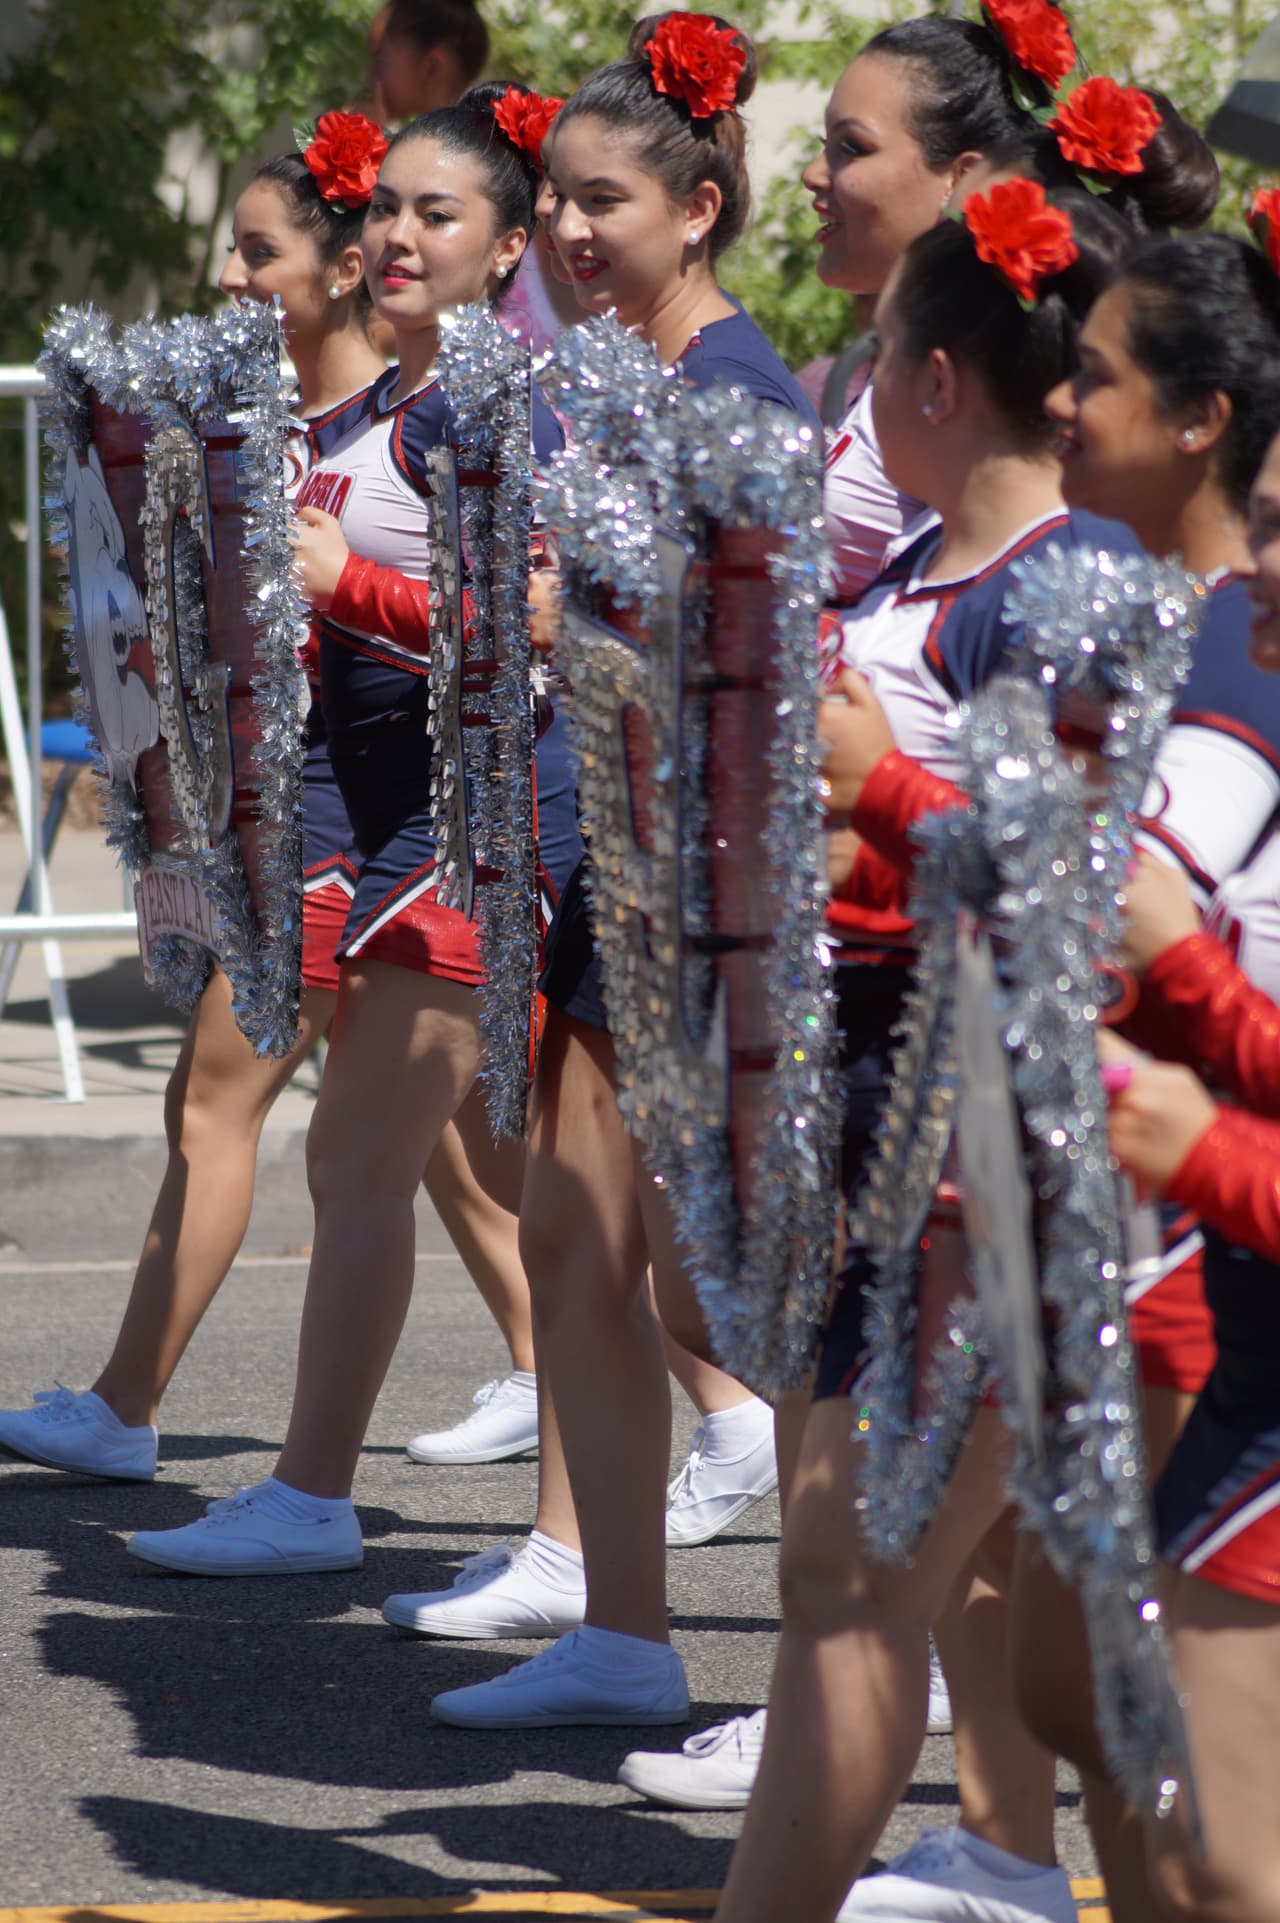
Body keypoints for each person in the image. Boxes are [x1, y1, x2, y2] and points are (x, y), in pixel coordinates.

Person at [812, 226, 1280, 1923]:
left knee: (1189, 1797)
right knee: (1086, 1702)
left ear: (1207, 419)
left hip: (1178, 1258)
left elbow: (1108, 932)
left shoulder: (1223, 668)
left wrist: (887, 803)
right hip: (1162, 1236)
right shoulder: (1166, 625)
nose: (1066, 396)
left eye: (1102, 375)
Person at [0, 123, 537, 1475]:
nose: (234, 278)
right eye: (227, 250)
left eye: (260, 250)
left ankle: (131, 1411)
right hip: (320, 816)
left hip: (380, 831)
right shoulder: (307, 427)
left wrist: (330, 589)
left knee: (216, 1104)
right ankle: (645, 1388)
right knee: (454, 1157)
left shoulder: (445, 419)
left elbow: (508, 634)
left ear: (343, 265)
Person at [398, 11, 818, 1726]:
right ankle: (616, 1622)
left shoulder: (734, 389)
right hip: (606, 866)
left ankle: (911, 1642)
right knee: (576, 1241)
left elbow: (768, 649)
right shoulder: (601, 369)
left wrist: (597, 628)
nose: (568, 235)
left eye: (606, 205)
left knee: (737, 1278)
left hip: (696, 884)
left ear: (699, 206)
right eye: (556, 205)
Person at [116, 85, 577, 1574]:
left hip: (487, 821)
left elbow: (530, 639)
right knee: (504, 1186)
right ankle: (625, 1500)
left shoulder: (496, 409)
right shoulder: (385, 405)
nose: (392, 235)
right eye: (384, 208)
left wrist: (341, 593)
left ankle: (324, 1505)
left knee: (393, 1168)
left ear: (508, 246)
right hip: (391, 821)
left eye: (434, 215)